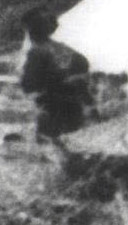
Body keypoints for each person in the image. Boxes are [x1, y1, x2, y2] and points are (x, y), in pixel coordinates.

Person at [18, 9, 91, 141]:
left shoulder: (37, 53)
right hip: (77, 110)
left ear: (30, 32)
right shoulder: (63, 49)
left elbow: (28, 86)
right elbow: (83, 67)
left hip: (54, 114)